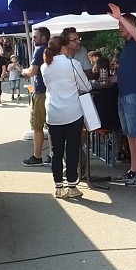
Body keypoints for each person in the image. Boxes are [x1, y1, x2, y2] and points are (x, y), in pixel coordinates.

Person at [40, 32, 91, 199]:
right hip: (72, 112)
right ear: (63, 47)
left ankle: (58, 186)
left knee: (56, 151)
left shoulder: (44, 66)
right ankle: (71, 185)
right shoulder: (73, 64)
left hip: (53, 113)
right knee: (72, 149)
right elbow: (86, 86)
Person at [109, 4, 136, 186]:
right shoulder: (127, 46)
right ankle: (133, 169)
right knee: (130, 134)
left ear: (130, 25)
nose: (119, 28)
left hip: (134, 93)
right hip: (125, 93)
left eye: (122, 25)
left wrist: (120, 18)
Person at [21, 26, 51, 166]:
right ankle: (52, 154)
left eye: (35, 37)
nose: (33, 39)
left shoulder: (39, 50)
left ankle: (37, 155)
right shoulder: (51, 49)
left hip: (40, 92)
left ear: (43, 37)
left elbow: (33, 71)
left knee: (37, 125)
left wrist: (24, 72)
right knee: (51, 125)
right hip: (50, 90)